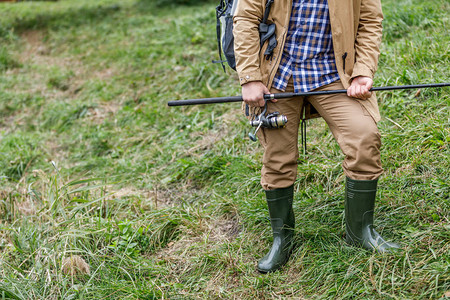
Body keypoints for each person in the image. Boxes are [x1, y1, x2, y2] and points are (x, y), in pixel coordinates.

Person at [233, 0, 400, 273]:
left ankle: (360, 232)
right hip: (278, 74)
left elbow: (370, 21)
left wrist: (362, 72)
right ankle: (282, 238)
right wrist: (250, 77)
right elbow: (245, 19)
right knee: (278, 158)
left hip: (334, 75)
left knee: (364, 137)